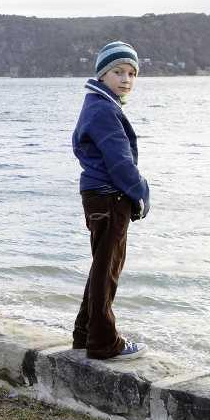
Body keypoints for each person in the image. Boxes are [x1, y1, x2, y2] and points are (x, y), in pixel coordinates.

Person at [71, 40, 150, 361]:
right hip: (110, 196)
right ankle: (104, 343)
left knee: (101, 266)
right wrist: (141, 192)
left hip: (98, 195)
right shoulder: (103, 109)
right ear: (102, 74)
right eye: (118, 72)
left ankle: (85, 334)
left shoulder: (97, 104)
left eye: (132, 73)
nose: (126, 79)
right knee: (108, 269)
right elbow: (119, 161)